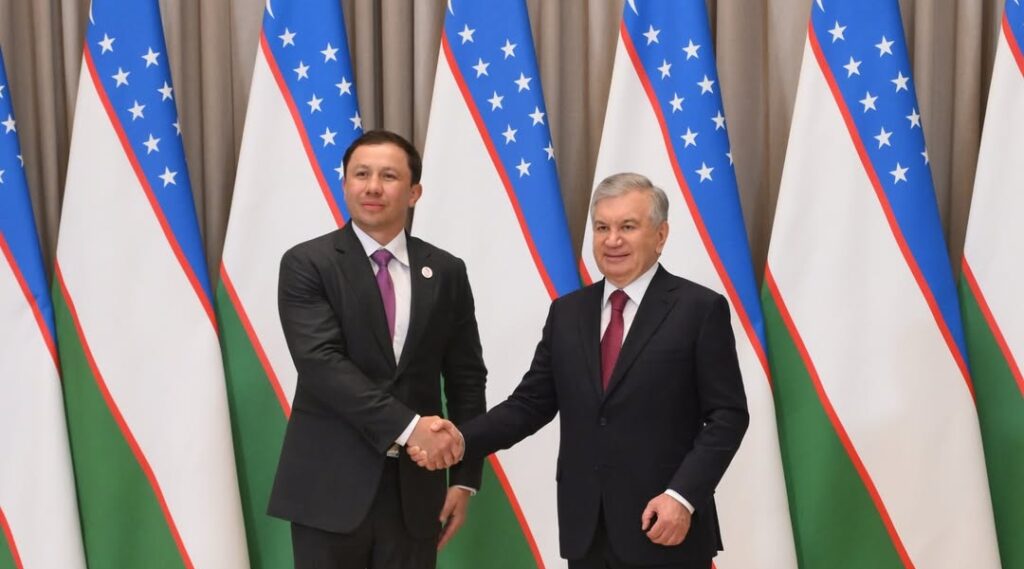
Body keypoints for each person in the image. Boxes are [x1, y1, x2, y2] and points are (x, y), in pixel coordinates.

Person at [413, 173, 748, 569]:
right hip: (587, 531)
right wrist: (459, 438)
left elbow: (728, 416)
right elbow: (530, 404)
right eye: (602, 228)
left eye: (627, 227)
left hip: (665, 525)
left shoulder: (699, 309)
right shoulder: (567, 313)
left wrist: (682, 496)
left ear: (660, 235)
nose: (612, 240)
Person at [268, 129, 487, 569]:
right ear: (345, 184)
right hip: (328, 490)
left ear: (414, 192)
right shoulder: (308, 263)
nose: (372, 187)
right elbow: (321, 364)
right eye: (361, 174)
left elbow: (466, 377)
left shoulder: (446, 271)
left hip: (416, 493)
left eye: (388, 176)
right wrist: (410, 428)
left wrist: (464, 479)